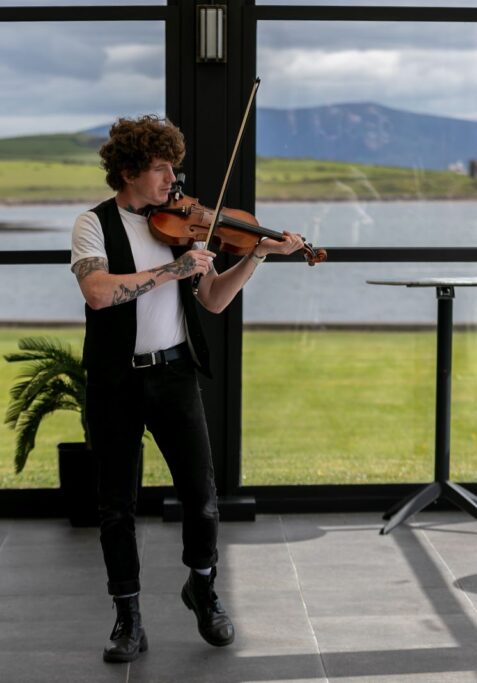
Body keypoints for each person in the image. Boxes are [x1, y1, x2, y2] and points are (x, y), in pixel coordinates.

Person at [70, 115, 307, 663]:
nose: (171, 179)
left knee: (202, 499)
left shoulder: (182, 224)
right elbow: (99, 293)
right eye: (160, 169)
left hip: (174, 373)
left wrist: (255, 255)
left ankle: (201, 585)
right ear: (128, 171)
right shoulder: (93, 224)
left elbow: (214, 300)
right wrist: (174, 270)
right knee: (116, 507)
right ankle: (127, 617)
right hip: (116, 379)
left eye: (172, 167)